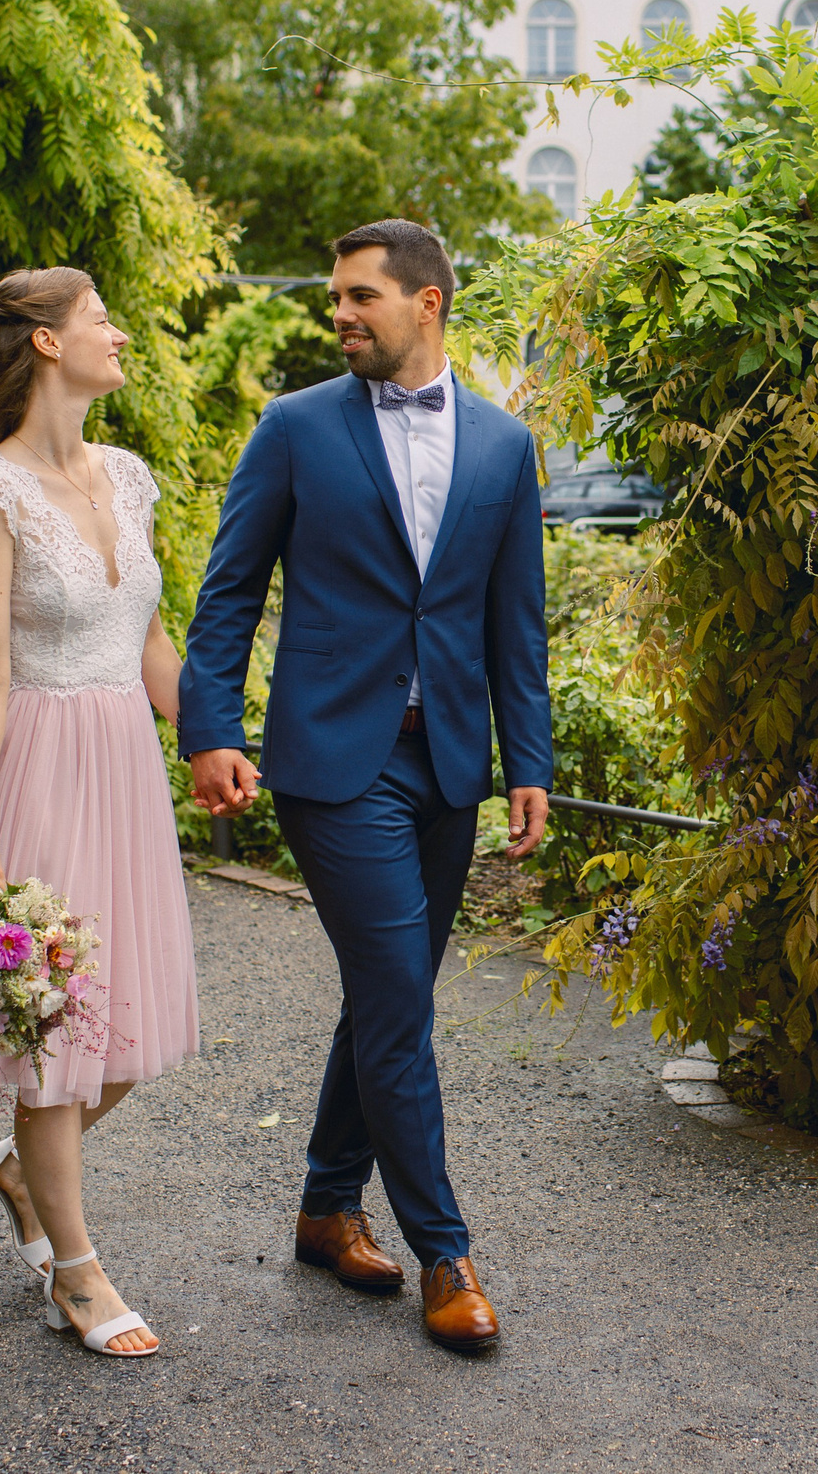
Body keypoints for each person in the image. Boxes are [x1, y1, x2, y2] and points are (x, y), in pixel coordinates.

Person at [178, 219, 552, 1354]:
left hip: (449, 762)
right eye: (335, 297)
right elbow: (229, 591)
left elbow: (515, 623)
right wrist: (210, 730)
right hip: (336, 764)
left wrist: (528, 764)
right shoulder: (294, 428)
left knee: (388, 998)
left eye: (359, 296)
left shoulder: (504, 446)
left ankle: (324, 1206)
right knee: (398, 1005)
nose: (338, 313)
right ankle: (446, 1252)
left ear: (427, 302)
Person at [0, 267, 198, 1359]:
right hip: (40, 766)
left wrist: (215, 737)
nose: (118, 334)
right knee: (55, 1031)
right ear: (44, 342)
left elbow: (149, 637)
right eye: (99, 320)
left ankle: (19, 1171)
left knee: (126, 1033)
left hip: (126, 764)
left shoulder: (128, 475)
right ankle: (75, 1275)